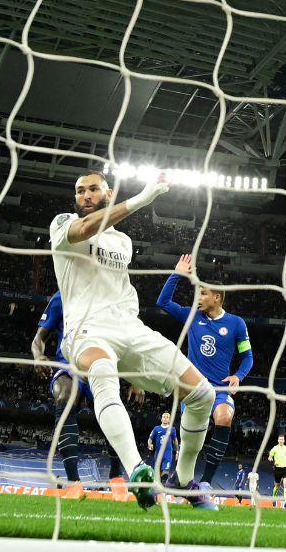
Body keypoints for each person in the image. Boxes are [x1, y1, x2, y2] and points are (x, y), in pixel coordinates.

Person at [50, 169, 218, 510]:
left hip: (129, 327)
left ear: (107, 194)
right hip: (87, 329)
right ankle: (138, 471)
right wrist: (143, 199)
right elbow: (85, 228)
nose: (85, 195)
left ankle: (183, 481)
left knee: (203, 395)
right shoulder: (63, 223)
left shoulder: (123, 243)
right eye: (80, 190)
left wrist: (138, 367)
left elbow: (122, 290)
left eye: (93, 189)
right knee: (103, 372)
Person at [33, 289, 144, 500]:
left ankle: (116, 478)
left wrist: (137, 380)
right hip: (68, 365)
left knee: (110, 409)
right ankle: (74, 484)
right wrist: (38, 355)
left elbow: (132, 340)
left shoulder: (113, 293)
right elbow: (38, 338)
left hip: (100, 364)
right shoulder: (62, 295)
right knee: (64, 395)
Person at [156, 253, 253, 488]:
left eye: (204, 293)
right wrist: (177, 274)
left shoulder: (236, 324)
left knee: (224, 417)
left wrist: (238, 376)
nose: (199, 297)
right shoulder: (192, 316)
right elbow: (163, 302)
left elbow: (247, 357)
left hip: (219, 389)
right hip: (193, 389)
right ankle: (179, 476)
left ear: (217, 298)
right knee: (190, 445)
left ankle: (207, 482)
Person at [147, 412, 179, 480]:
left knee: (165, 472)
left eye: (167, 417)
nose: (165, 418)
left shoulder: (172, 429)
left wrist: (177, 452)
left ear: (169, 420)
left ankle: (163, 485)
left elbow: (175, 441)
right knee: (158, 474)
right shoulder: (156, 428)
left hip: (168, 453)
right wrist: (150, 445)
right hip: (158, 453)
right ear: (161, 419)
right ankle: (160, 484)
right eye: (164, 417)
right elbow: (150, 439)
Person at [268, 435, 286, 507]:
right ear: (278, 440)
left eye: (282, 439)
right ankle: (274, 498)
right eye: (280, 439)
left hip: (285, 469)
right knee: (277, 486)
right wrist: (271, 459)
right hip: (277, 469)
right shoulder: (275, 448)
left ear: (284, 440)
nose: (281, 440)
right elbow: (270, 456)